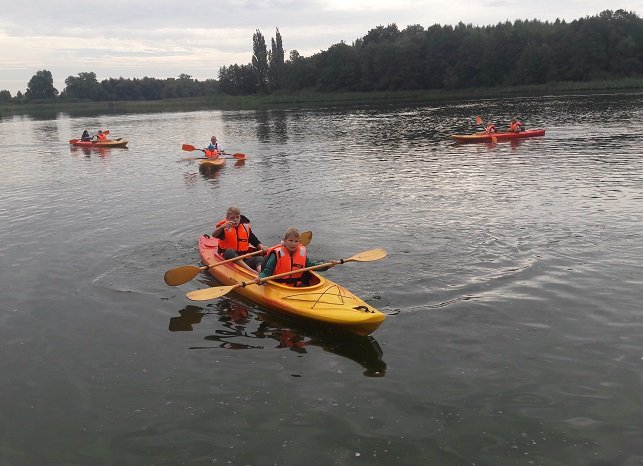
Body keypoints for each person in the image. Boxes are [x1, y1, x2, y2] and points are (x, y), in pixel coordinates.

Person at [257, 227, 340, 287]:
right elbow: (267, 271)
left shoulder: (301, 253)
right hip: (279, 286)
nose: (293, 244)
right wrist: (261, 278)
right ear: (285, 240)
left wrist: (327, 265)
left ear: (299, 242)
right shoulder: (276, 254)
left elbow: (312, 265)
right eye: (290, 240)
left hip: (297, 286)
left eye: (296, 241)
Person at [210, 206, 264, 272]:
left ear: (240, 217)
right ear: (227, 219)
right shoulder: (224, 228)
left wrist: (261, 246)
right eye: (232, 218)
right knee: (229, 251)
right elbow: (214, 235)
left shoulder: (245, 227)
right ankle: (251, 271)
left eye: (237, 217)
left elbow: (255, 241)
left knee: (259, 258)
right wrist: (221, 227)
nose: (235, 220)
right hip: (228, 258)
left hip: (243, 258)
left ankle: (260, 273)